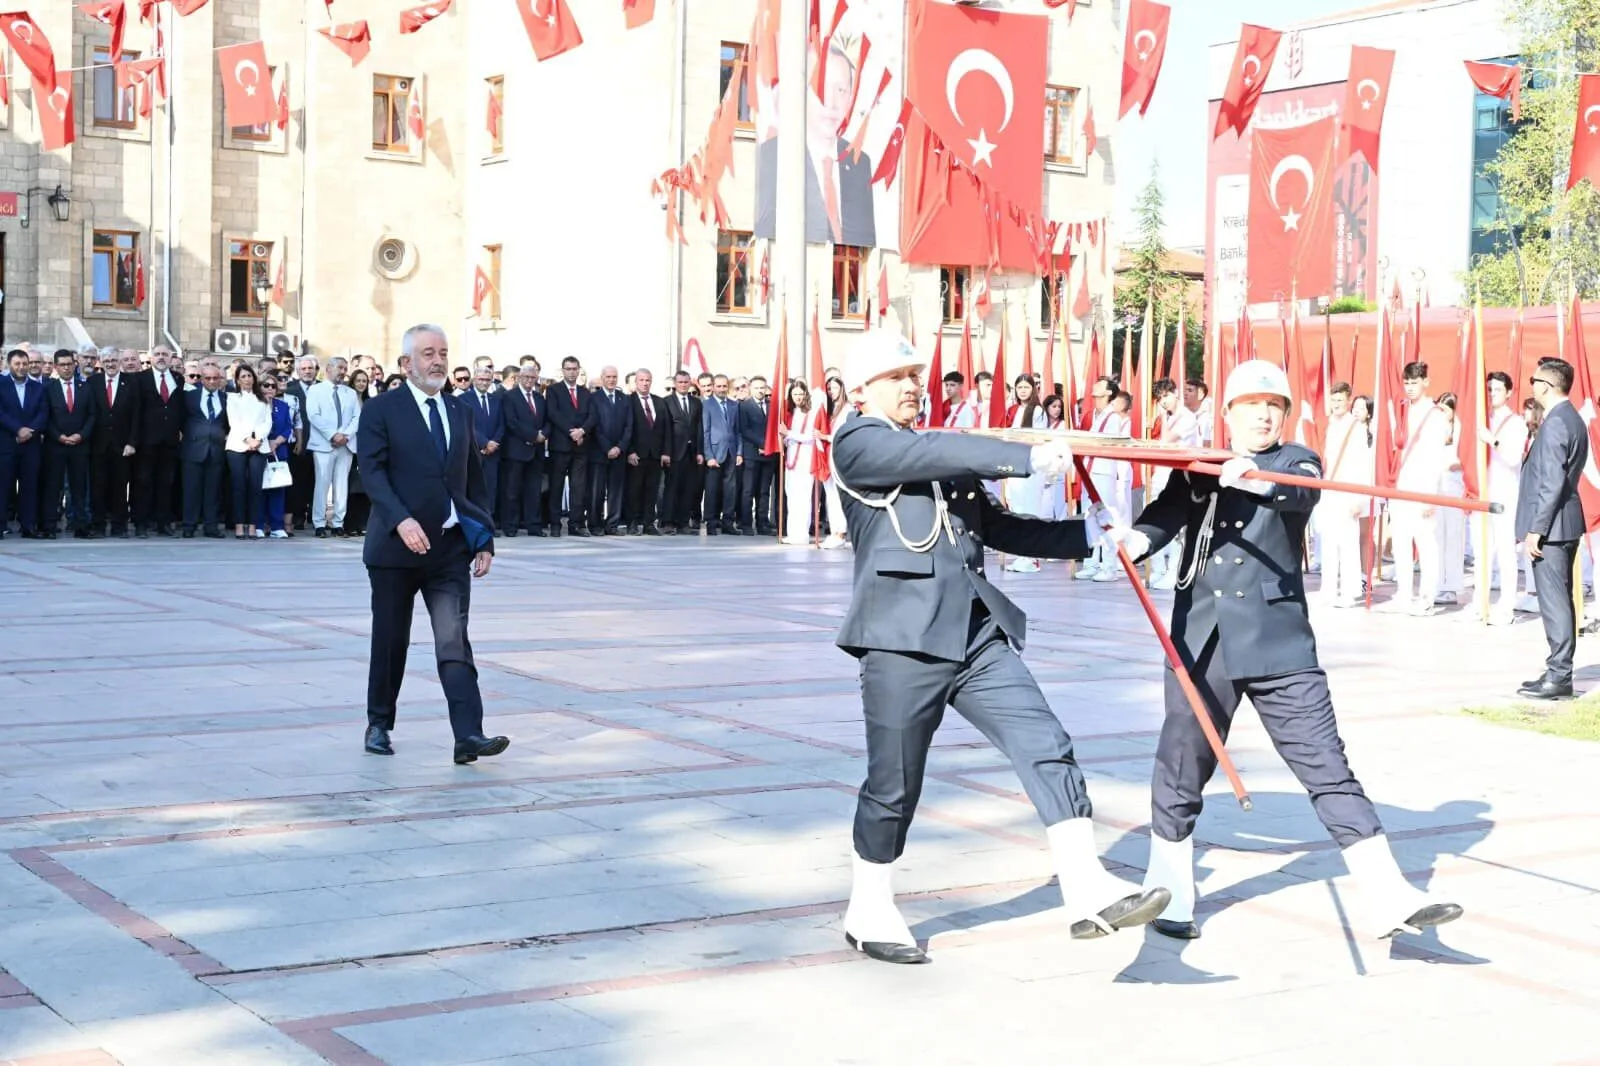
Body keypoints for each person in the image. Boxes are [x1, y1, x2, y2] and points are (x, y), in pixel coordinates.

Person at [831, 331, 1168, 965]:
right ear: (860, 391)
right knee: (894, 782)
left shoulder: (938, 454)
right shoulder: (858, 441)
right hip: (903, 641)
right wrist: (1026, 454)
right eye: (895, 376)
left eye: (914, 373)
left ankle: (1086, 886)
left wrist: (1087, 537)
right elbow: (936, 450)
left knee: (1046, 742)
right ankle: (869, 904)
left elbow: (1001, 527)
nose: (911, 384)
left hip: (974, 632)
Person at [1109, 360, 1462, 941]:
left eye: (1274, 404)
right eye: (1250, 404)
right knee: (1180, 765)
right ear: (1227, 413)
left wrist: (1254, 478)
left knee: (1327, 766)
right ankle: (1169, 894)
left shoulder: (1296, 460)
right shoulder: (1198, 467)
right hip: (1203, 640)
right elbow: (1166, 515)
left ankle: (1388, 895)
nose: (1263, 413)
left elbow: (1294, 493)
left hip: (1279, 646)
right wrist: (1135, 539)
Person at [357, 325, 508, 765]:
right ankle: (379, 723)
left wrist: (483, 537)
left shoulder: (459, 411)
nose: (438, 361)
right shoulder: (382, 409)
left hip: (448, 550)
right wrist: (400, 520)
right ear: (407, 363)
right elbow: (373, 473)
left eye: (442, 352)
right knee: (391, 640)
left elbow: (471, 481)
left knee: (453, 640)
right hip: (394, 551)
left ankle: (469, 735)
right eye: (428, 354)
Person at [754, 40, 875, 247]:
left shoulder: (860, 163)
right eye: (821, 88)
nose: (831, 103)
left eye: (841, 91)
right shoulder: (773, 155)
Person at [1516, 357, 1588, 700]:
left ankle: (1560, 674)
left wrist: (1536, 529)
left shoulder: (1558, 422)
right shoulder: (1569, 418)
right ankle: (1558, 668)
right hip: (1562, 523)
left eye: (1534, 380)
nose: (1532, 386)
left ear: (1545, 385)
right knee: (1560, 600)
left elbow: (1553, 482)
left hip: (1553, 528)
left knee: (1555, 603)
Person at [1389, 362, 1452, 615]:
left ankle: (1427, 597)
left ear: (1426, 382)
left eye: (1415, 382)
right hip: (1401, 485)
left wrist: (1430, 497)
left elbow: (1435, 459)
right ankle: (1404, 593)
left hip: (1423, 486)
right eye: (1406, 383)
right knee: (1401, 543)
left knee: (1425, 543)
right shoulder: (1403, 411)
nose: (1410, 388)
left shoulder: (1434, 415)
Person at [1316, 383, 1373, 608]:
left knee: (1348, 542)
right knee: (1329, 541)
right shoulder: (1331, 426)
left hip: (1348, 491)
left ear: (1348, 401)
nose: (1336, 404)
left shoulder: (1356, 427)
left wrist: (1358, 498)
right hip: (1330, 489)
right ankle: (1328, 589)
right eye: (1333, 400)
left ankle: (1350, 591)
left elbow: (1362, 464)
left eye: (1340, 400)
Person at [1480, 372, 1528, 625]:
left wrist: (1492, 440)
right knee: (1483, 551)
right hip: (1482, 494)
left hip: (1506, 495)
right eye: (1489, 389)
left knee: (1505, 553)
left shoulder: (1515, 422)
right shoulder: (1482, 418)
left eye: (1497, 389)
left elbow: (1512, 458)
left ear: (1509, 392)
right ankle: (1481, 602)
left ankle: (1507, 606)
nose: (1491, 394)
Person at [0, 349, 48, 539]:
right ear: (8, 364)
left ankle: (28, 526)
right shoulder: (1, 384)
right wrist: (18, 429)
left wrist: (30, 430)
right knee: (3, 486)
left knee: (30, 487)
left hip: (31, 445)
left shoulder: (39, 388)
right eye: (17, 364)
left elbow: (43, 413)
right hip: (7, 444)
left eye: (24, 364)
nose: (21, 367)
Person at [258, 374, 295, 538]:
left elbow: (288, 427)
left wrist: (276, 442)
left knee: (278, 489)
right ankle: (259, 524)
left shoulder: (283, 405)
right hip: (258, 450)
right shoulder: (255, 405)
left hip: (279, 451)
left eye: (273, 386)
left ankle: (276, 526)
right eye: (266, 385)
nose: (270, 389)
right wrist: (265, 442)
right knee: (259, 489)